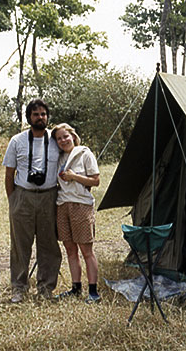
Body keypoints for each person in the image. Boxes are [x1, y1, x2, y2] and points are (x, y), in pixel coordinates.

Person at [3, 99, 62, 303]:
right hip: (23, 196)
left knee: (49, 244)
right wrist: (14, 201)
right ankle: (18, 287)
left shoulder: (56, 140)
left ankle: (46, 288)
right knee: (20, 245)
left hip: (49, 196)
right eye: (36, 114)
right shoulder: (17, 141)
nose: (40, 117)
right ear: (29, 117)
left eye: (44, 114)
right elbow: (9, 173)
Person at [51, 123, 101, 304]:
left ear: (73, 136)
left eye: (65, 136)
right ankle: (76, 287)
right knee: (70, 249)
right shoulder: (58, 158)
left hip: (81, 205)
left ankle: (93, 291)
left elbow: (96, 181)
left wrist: (74, 177)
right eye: (59, 138)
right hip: (62, 206)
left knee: (86, 250)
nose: (63, 140)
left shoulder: (84, 154)